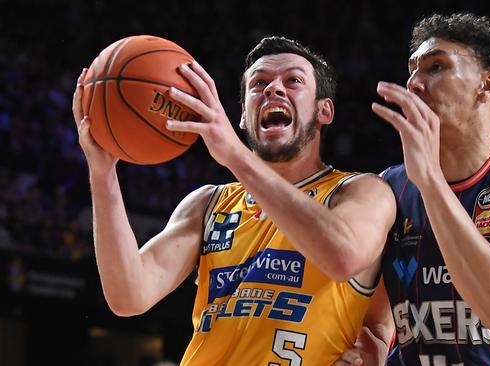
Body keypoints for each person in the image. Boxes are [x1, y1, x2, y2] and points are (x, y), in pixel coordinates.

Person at [71, 36, 396, 365]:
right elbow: (129, 296)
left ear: (323, 110)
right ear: (242, 116)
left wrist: (234, 155)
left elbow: (342, 256)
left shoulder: (362, 192)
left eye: (293, 80)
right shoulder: (208, 204)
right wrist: (102, 175)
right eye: (259, 83)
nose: (273, 89)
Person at [341, 12, 490, 365]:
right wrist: (367, 352)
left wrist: (431, 181)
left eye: (436, 67)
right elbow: (377, 325)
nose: (414, 83)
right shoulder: (390, 188)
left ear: (487, 85)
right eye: (412, 69)